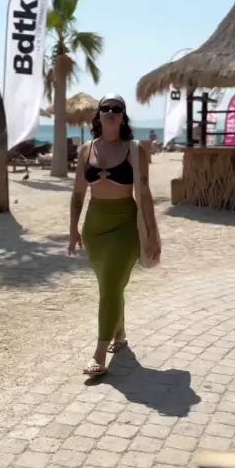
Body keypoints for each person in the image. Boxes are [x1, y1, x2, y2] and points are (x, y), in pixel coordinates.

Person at [69, 94, 161, 376]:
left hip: (125, 226)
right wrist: (73, 229)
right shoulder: (86, 150)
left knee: (110, 286)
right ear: (98, 114)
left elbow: (144, 194)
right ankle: (119, 335)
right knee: (110, 287)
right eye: (105, 108)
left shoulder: (135, 150)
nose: (111, 112)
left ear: (123, 116)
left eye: (117, 108)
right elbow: (78, 194)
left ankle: (99, 354)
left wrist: (152, 235)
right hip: (94, 228)